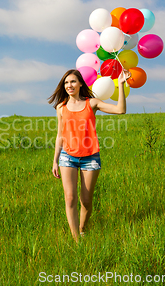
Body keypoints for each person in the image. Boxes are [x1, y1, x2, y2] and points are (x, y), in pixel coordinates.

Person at [47, 68, 130, 242]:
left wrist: (121, 85)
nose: (69, 85)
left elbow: (120, 110)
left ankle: (83, 228)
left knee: (86, 201)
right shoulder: (61, 107)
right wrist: (55, 160)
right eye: (66, 82)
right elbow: (60, 134)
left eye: (72, 82)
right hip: (67, 157)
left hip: (90, 157)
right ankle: (76, 240)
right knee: (70, 198)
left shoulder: (92, 103)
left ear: (80, 84)